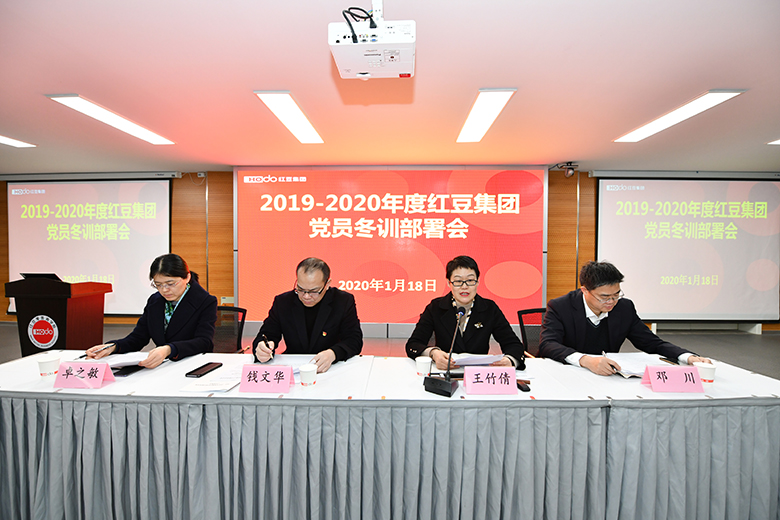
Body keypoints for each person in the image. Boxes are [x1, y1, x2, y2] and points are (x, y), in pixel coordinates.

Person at [538, 261, 711, 375]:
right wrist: (586, 360)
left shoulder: (623, 308)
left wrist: (686, 357)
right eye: (604, 297)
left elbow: (651, 342)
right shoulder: (561, 306)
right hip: (567, 372)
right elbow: (548, 344)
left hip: (607, 375)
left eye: (616, 295)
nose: (611, 302)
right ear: (584, 290)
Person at [86, 253, 217, 368]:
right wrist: (113, 347)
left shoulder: (205, 301)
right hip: (163, 365)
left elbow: (204, 342)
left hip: (192, 363)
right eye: (158, 284)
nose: (164, 290)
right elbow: (138, 338)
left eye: (170, 284)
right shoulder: (155, 301)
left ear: (187, 278)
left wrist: (169, 349)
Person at [406, 255, 526, 370]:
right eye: (458, 281)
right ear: (449, 283)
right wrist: (433, 353)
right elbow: (413, 344)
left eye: (470, 280)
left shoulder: (489, 308)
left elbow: (514, 344)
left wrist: (510, 360)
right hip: (446, 372)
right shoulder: (436, 307)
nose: (464, 286)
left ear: (477, 281)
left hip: (478, 374)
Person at [252, 257, 362, 373]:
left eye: (314, 291)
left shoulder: (343, 301)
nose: (306, 296)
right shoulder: (283, 302)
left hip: (332, 369)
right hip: (294, 369)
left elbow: (354, 340)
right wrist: (262, 348)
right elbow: (267, 334)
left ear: (327, 284)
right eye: (300, 289)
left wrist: (333, 353)